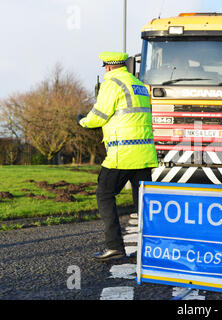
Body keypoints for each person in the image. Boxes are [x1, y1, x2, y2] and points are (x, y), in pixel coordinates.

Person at [78, 51, 157, 261]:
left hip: (122, 154)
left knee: (104, 195)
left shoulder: (112, 84)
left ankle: (115, 247)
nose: (105, 70)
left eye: (105, 67)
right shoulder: (139, 85)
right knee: (143, 203)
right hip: (144, 154)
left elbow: (99, 116)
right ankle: (152, 248)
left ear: (109, 67)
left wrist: (82, 121)